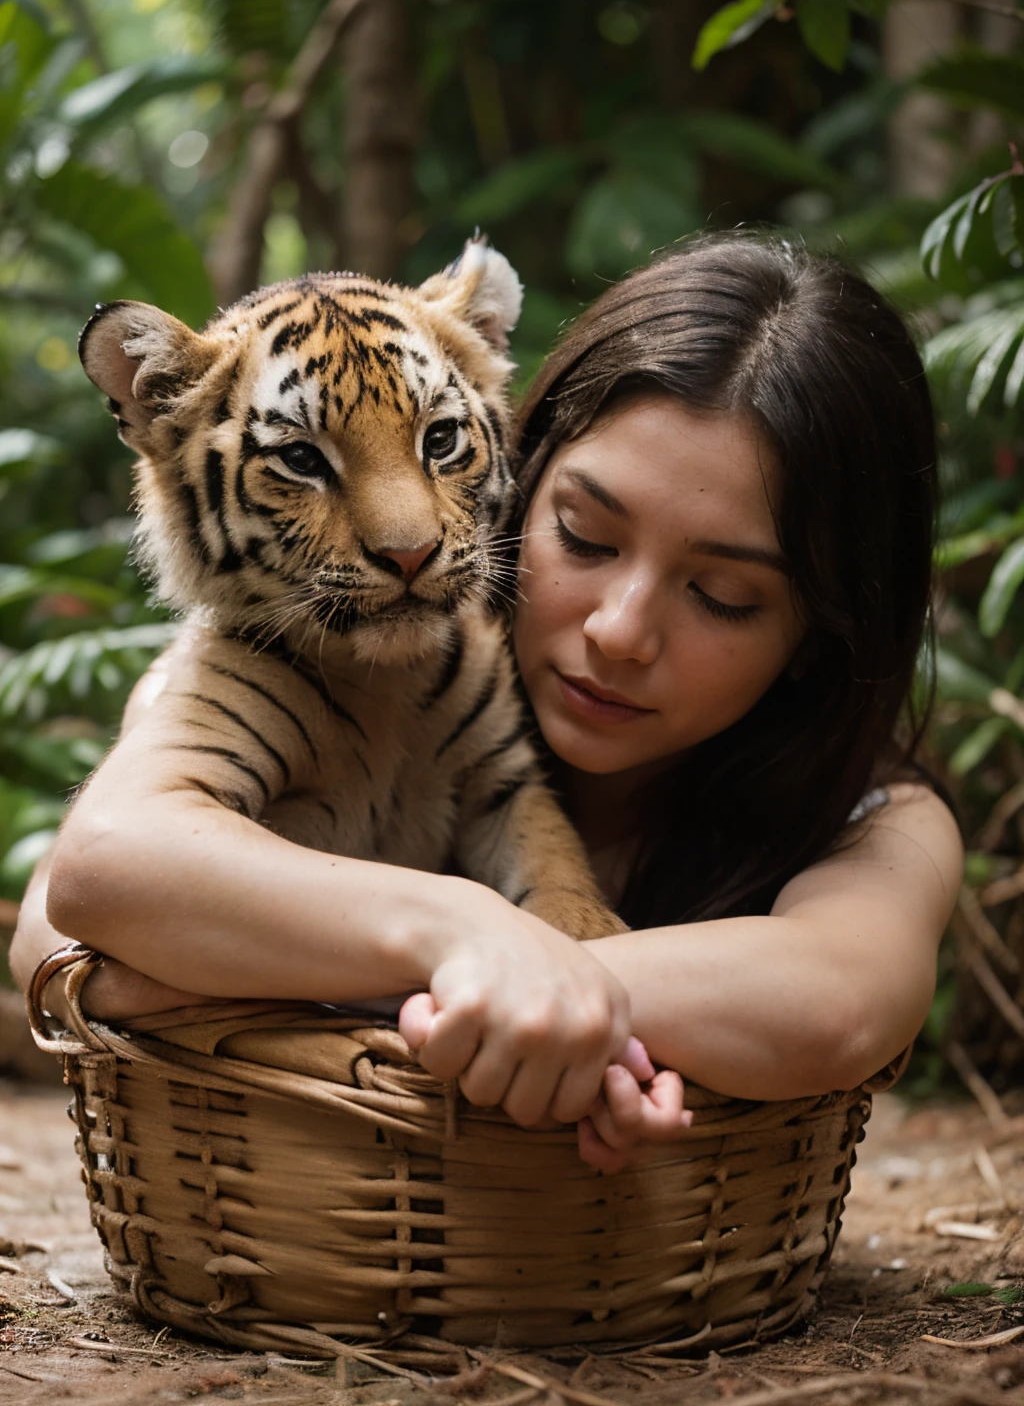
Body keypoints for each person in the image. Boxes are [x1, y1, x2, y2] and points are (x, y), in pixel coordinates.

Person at [11, 232, 963, 1173]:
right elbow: (76, 907)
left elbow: (832, 1003)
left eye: (724, 595)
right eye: (585, 536)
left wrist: (397, 983)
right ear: (532, 466)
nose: (407, 536)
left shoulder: (881, 822)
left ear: (823, 630)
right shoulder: (302, 663)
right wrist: (468, 933)